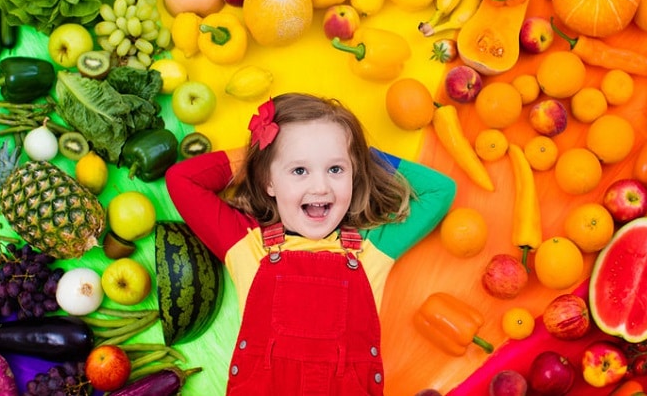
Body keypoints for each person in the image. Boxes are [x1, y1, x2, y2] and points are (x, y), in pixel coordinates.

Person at [165, 93, 456, 395]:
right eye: (299, 170)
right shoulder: (247, 246)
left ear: (354, 175)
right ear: (269, 182)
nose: (320, 186)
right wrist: (261, 152)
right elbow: (182, 180)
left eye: (336, 169)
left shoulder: (371, 251)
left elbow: (441, 190)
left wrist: (358, 153)